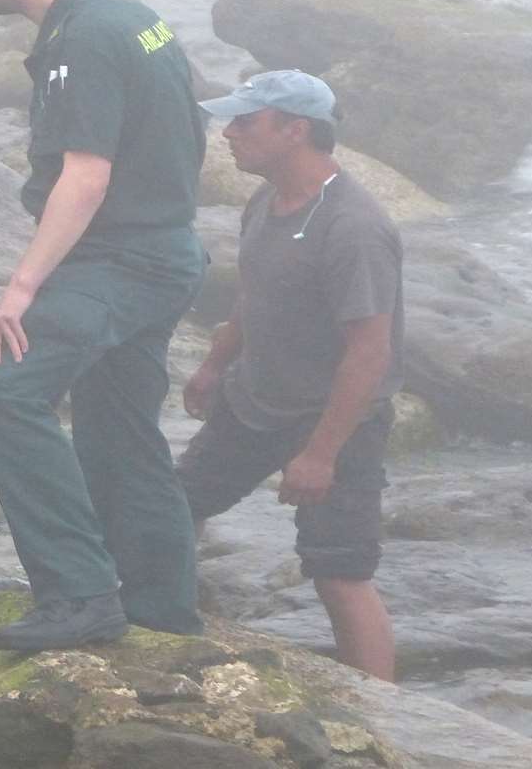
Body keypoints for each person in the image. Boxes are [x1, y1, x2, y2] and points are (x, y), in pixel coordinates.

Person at [0, 0, 208, 651]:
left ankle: (79, 595)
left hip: (121, 260)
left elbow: (86, 176)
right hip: (169, 249)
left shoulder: (79, 41)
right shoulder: (132, 14)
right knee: (121, 432)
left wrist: (23, 287)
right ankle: (162, 608)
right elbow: (189, 128)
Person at [181, 70, 402, 681]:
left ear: (295, 130)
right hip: (252, 401)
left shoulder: (354, 226)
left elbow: (369, 351)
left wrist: (321, 454)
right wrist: (214, 364)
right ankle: (158, 625)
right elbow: (254, 297)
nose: (228, 134)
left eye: (245, 122)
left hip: (333, 420)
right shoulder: (267, 199)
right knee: (173, 507)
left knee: (339, 570)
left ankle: (387, 721)